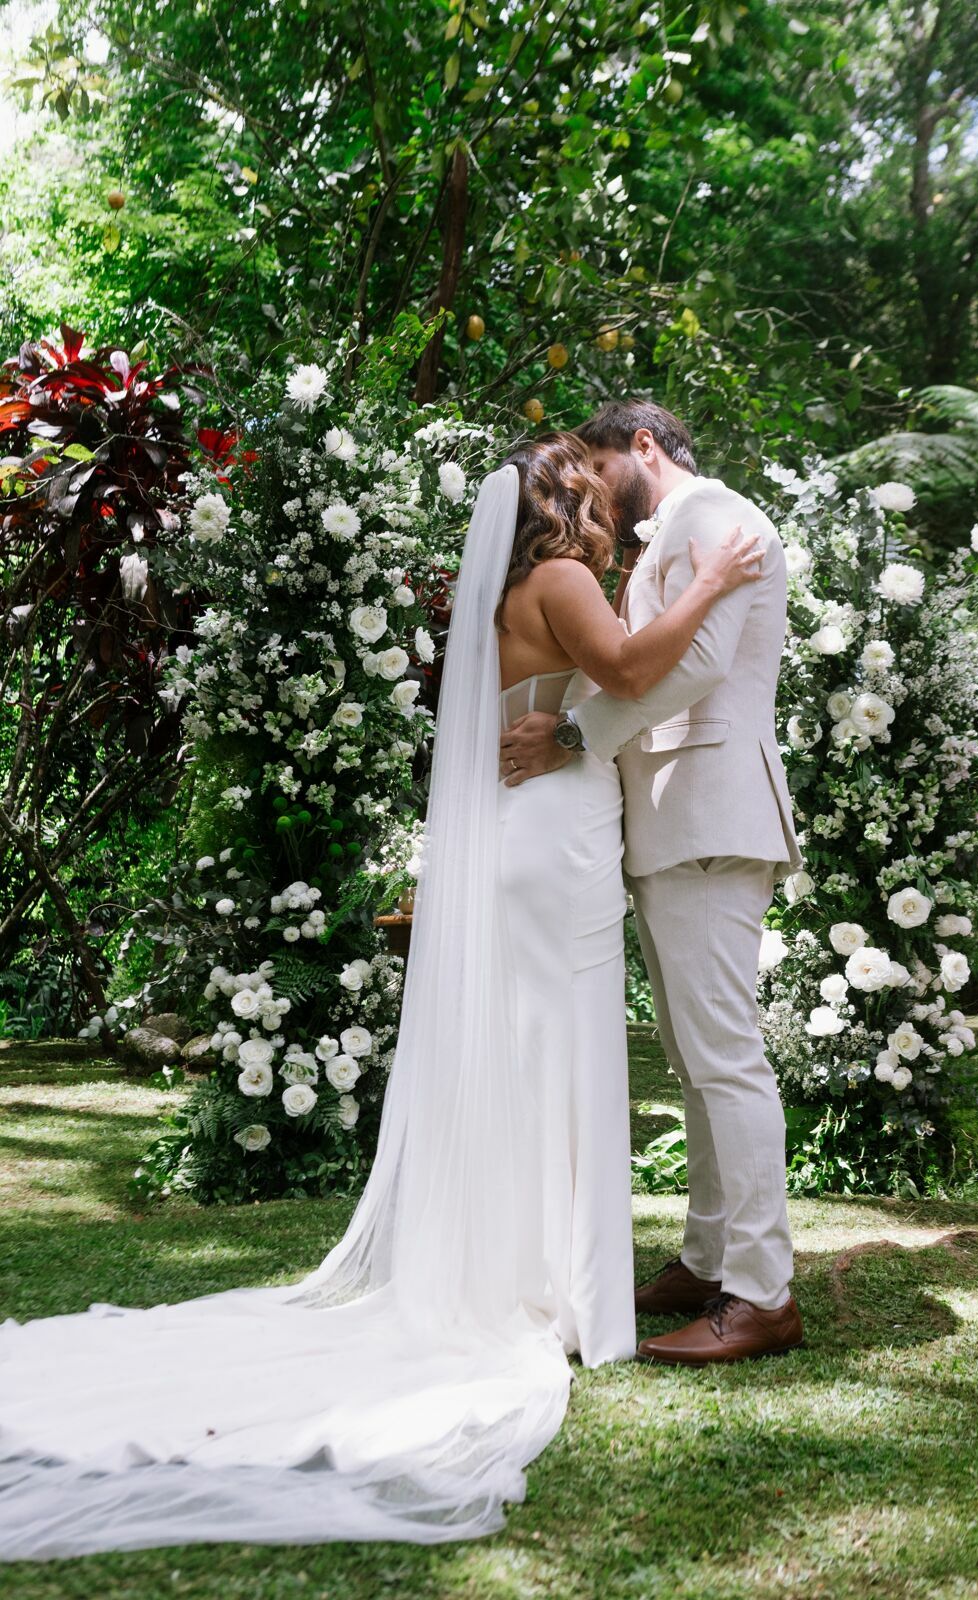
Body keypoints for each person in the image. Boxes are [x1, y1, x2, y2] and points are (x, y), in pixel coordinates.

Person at [0, 432, 762, 1560]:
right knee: (565, 1056)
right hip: (552, 845)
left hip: (529, 835)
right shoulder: (556, 580)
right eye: (594, 494)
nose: (610, 511)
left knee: (529, 1055)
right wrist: (709, 580)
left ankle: (537, 1279)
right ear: (563, 504)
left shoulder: (507, 589)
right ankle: (570, 1298)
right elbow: (628, 674)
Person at [500, 402, 806, 1367]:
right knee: (695, 1058)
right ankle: (708, 1258)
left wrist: (577, 736)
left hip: (710, 813)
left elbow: (701, 660)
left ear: (643, 445)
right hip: (676, 822)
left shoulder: (714, 518)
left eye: (597, 462)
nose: (588, 485)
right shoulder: (673, 532)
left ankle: (761, 1294)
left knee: (724, 1058)